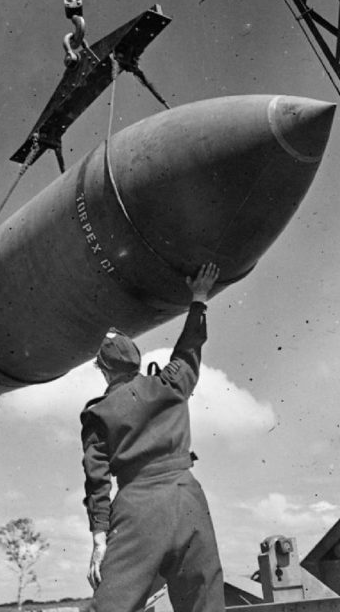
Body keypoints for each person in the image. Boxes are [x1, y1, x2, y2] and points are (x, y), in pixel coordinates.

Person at [80, 262, 224, 612]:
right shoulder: (171, 384)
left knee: (112, 606)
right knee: (204, 602)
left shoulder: (98, 414)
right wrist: (199, 297)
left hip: (139, 506)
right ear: (137, 361)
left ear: (103, 369)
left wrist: (100, 536)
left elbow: (97, 482)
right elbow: (189, 348)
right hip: (187, 497)